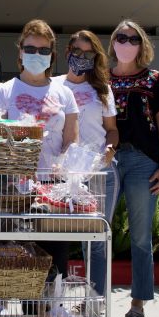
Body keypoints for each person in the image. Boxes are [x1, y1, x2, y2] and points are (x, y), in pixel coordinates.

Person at [0, 19, 79, 279]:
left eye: (43, 50)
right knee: (26, 258)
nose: (36, 55)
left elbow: (72, 137)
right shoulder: (5, 91)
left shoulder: (64, 92)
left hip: (55, 186)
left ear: (52, 56)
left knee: (56, 255)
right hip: (17, 188)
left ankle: (53, 312)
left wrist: (62, 163)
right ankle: (33, 315)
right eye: (30, 49)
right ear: (20, 51)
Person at [108, 20, 159, 317]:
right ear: (113, 42)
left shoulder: (155, 80)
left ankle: (138, 303)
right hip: (105, 160)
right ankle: (91, 296)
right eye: (121, 37)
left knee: (141, 236)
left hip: (142, 160)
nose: (126, 42)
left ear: (142, 43)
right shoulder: (99, 79)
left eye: (133, 38)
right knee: (94, 230)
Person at [53, 30, 119, 296]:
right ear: (68, 52)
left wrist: (110, 149)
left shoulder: (102, 90)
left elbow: (112, 130)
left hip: (99, 172)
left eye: (88, 54)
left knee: (96, 241)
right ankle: (54, 300)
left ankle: (95, 300)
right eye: (77, 52)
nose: (82, 58)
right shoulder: (55, 86)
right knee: (57, 238)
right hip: (61, 175)